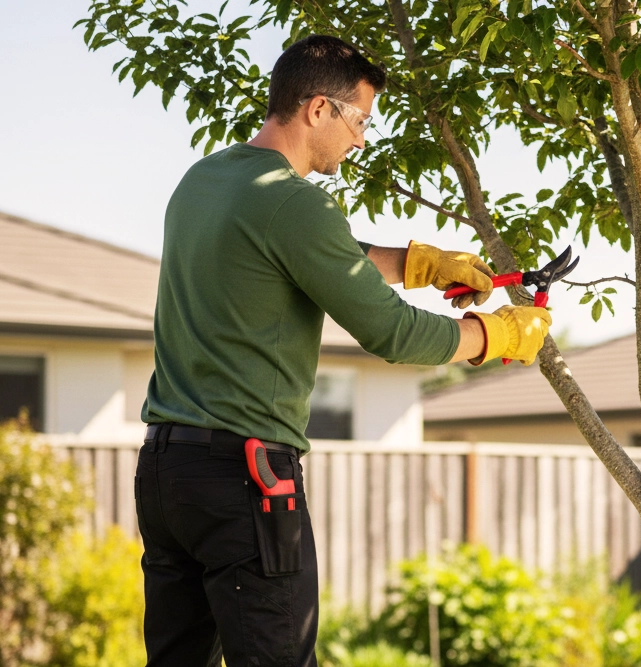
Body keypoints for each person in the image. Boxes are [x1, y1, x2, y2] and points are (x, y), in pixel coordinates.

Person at [135, 34, 551, 667]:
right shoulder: (297, 203)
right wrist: (496, 335)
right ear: (318, 110)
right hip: (244, 478)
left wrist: (421, 264)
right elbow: (396, 335)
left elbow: (308, 259)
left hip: (167, 473)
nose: (361, 140)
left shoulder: (208, 180)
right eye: (359, 120)